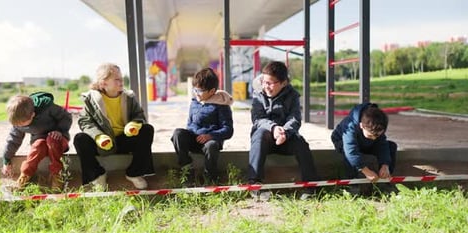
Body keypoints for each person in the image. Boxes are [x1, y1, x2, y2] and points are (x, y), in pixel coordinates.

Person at [73, 63, 154, 189]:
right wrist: (98, 136)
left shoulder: (129, 97)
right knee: (80, 139)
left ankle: (134, 172)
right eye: (117, 79)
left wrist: (134, 124)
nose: (121, 81)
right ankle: (97, 174)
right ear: (104, 83)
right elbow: (85, 121)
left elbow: (139, 115)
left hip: (124, 139)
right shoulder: (91, 99)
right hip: (104, 143)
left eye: (121, 79)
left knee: (147, 129)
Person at [248, 61, 318, 199]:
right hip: (265, 139)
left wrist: (285, 132)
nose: (266, 86)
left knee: (301, 143)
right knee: (260, 134)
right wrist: (273, 128)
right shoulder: (258, 94)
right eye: (264, 82)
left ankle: (310, 186)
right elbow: (257, 119)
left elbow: (295, 119)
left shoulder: (293, 96)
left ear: (283, 83)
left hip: (285, 137)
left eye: (271, 83)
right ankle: (254, 184)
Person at [171, 67, 234, 184]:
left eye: (200, 91)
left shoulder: (221, 105)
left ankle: (210, 177)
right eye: (195, 90)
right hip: (195, 138)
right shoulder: (194, 102)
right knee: (177, 133)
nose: (196, 93)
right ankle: (187, 170)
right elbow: (189, 124)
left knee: (211, 146)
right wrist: (195, 133)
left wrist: (210, 135)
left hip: (210, 141)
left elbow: (228, 130)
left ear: (212, 91)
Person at [1, 92, 72, 189]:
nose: (21, 126)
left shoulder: (48, 108)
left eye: (23, 124)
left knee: (52, 140)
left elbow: (66, 117)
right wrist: (6, 159)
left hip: (58, 138)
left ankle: (57, 176)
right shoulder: (19, 121)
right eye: (18, 125)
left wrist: (59, 130)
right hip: (40, 139)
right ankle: (25, 175)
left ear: (33, 115)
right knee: (37, 146)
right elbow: (13, 140)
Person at [331, 103, 398, 195]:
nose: (374, 138)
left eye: (377, 135)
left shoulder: (376, 125)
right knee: (348, 152)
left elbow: (382, 145)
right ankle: (352, 184)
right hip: (343, 142)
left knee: (391, 146)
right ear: (361, 126)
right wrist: (366, 171)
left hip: (364, 143)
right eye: (371, 135)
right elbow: (351, 152)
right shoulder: (350, 126)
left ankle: (385, 181)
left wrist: (385, 165)